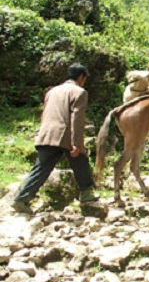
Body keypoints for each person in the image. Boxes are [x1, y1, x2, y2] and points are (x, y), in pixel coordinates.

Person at [11, 63, 98, 214]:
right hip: (64, 135)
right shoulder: (79, 92)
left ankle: (21, 198)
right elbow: (76, 119)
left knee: (41, 168)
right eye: (85, 78)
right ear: (81, 77)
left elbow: (45, 113)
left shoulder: (52, 91)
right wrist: (77, 143)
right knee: (81, 160)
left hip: (47, 134)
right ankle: (86, 194)